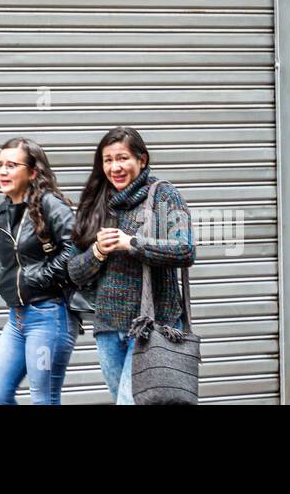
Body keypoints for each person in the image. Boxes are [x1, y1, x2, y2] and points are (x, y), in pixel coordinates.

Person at [66, 126, 195, 404]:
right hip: (108, 329)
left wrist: (133, 243)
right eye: (108, 160)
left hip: (154, 326)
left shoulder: (163, 196)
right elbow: (74, 271)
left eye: (123, 158)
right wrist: (98, 251)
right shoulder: (96, 203)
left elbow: (185, 249)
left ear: (142, 160)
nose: (115, 167)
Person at [0, 137, 79, 405]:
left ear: (33, 171)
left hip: (49, 316)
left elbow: (76, 248)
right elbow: (2, 257)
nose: (3, 171)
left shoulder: (51, 205)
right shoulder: (4, 210)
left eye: (11, 165)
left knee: (43, 399)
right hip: (17, 317)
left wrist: (39, 277)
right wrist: (3, 281)